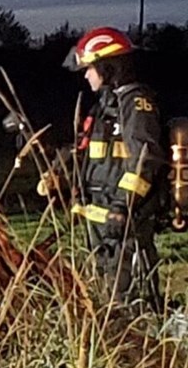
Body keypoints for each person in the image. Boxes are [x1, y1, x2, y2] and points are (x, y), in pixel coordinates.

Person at [65, 26, 166, 313]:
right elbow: (89, 155)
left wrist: (123, 207)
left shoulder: (135, 104)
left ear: (108, 68)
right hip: (99, 217)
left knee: (130, 298)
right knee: (103, 295)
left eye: (90, 68)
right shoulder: (103, 108)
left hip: (125, 222)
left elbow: (145, 160)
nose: (86, 75)